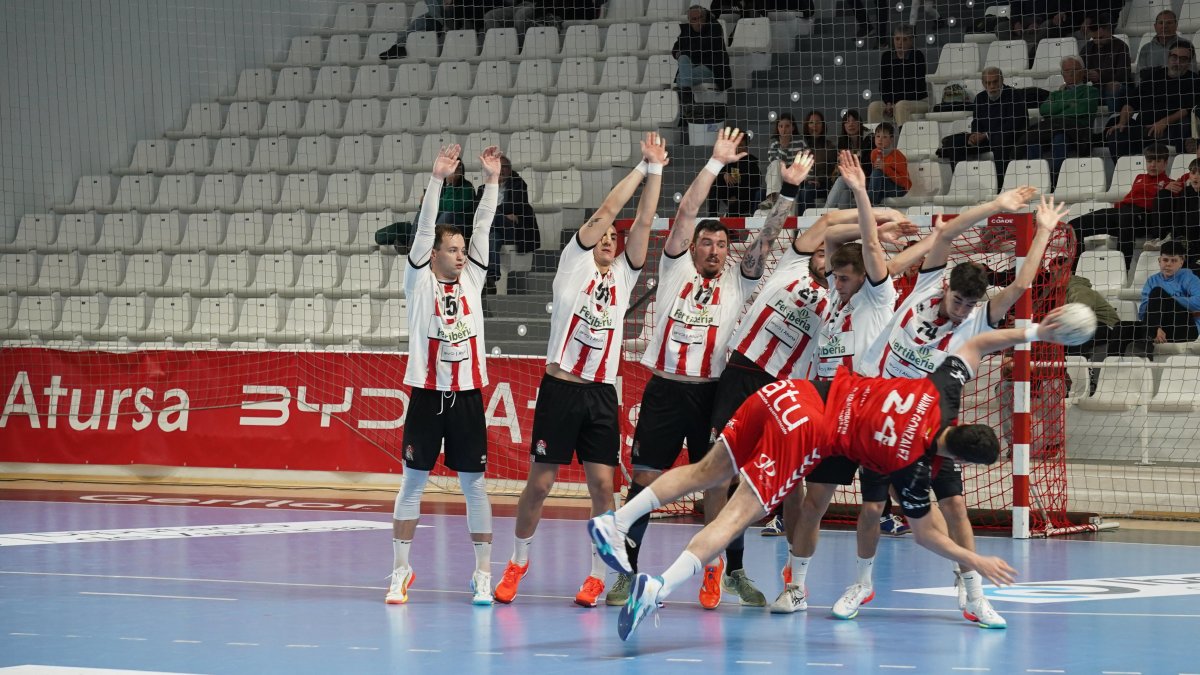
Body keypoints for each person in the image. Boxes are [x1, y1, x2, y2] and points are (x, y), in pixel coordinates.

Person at [591, 306, 1092, 640]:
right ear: (956, 459)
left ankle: (617, 521)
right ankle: (658, 587)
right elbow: (924, 534)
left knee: (705, 471)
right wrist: (971, 560)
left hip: (792, 391)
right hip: (808, 432)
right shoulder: (912, 465)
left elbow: (979, 343)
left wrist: (1037, 332)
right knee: (738, 515)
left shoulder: (941, 390)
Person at [806, 191, 1056, 626]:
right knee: (871, 509)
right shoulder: (927, 283)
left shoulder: (978, 320)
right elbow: (946, 232)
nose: (962, 312)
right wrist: (997, 204)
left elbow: (1018, 286)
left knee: (955, 507)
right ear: (947, 290)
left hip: (933, 424)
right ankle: (862, 582)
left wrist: (1044, 231)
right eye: (958, 302)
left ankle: (973, 592)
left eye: (970, 305)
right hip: (880, 417)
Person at [493, 134, 668, 608]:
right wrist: (640, 166)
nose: (610, 240)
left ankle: (596, 575)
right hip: (561, 388)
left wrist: (657, 172)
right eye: (606, 236)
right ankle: (517, 560)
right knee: (542, 483)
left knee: (602, 486)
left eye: (615, 238)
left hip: (600, 394)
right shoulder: (573, 265)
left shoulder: (626, 274)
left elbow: (645, 220)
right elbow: (607, 211)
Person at [620, 127, 788, 612]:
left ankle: (723, 572)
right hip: (666, 390)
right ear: (691, 247)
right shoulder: (674, 267)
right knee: (646, 479)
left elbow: (770, 234)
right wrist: (714, 163)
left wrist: (791, 190)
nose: (714, 250)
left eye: (721, 244)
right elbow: (687, 212)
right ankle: (624, 572)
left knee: (721, 485)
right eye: (706, 243)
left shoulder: (739, 277)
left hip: (715, 393)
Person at [387, 144, 502, 606]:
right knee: (412, 483)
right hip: (427, 396)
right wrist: (436, 178)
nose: (459, 255)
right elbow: (422, 230)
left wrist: (491, 182)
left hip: (468, 396)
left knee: (474, 485)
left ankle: (482, 574)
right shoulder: (418, 281)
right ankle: (400, 570)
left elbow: (484, 226)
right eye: (451, 250)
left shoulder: (472, 278)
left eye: (461, 250)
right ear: (433, 253)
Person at [1069, 143, 1175, 269]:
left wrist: (1164, 188)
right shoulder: (1140, 177)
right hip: (1120, 212)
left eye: (1157, 161)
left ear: (1166, 162)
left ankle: (1123, 268)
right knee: (1073, 226)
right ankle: (1072, 270)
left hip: (1142, 218)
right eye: (1150, 161)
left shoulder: (1170, 184)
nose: (1152, 165)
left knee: (1126, 217)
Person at [1107, 41, 1200, 158]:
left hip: (1170, 130)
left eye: (1183, 59)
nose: (1177, 62)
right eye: (1174, 57)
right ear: (1168, 57)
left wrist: (1163, 122)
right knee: (1116, 132)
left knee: (1185, 125)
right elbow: (1130, 103)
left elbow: (1187, 109)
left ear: (1189, 62)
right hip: (1144, 127)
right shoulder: (1153, 76)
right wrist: (1121, 123)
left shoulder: (1194, 81)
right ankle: (1122, 172)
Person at [1017, 56, 1099, 185]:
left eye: (1074, 69)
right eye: (1066, 70)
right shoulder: (1055, 94)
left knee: (1059, 138)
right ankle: (1035, 181)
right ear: (1062, 74)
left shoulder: (1091, 91)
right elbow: (1044, 110)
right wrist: (1069, 103)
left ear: (1083, 72)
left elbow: (1083, 110)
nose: (1070, 73)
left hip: (1076, 133)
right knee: (1033, 141)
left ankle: (1057, 180)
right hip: (1050, 131)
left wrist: (1058, 108)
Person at [937, 67, 1028, 177]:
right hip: (986, 139)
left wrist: (986, 135)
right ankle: (960, 181)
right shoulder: (980, 98)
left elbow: (1013, 124)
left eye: (995, 82)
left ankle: (1000, 185)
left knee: (999, 140)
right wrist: (975, 134)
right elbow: (977, 121)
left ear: (1002, 80)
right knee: (955, 143)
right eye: (988, 83)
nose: (992, 86)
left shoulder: (1014, 95)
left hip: (1008, 138)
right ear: (983, 84)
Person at [476, 154, 538, 294]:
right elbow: (477, 210)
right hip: (493, 229)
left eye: (504, 167)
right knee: (493, 238)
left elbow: (515, 205)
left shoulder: (518, 184)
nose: (502, 170)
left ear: (510, 170)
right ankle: (491, 279)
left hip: (511, 229)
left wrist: (495, 213)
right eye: (499, 167)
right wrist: (501, 214)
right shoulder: (482, 189)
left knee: (489, 221)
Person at [1137, 241, 1200, 346]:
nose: (1168, 264)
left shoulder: (1190, 278)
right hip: (1159, 328)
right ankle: (1112, 360)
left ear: (1181, 262)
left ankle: (1148, 342)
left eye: (1174, 260)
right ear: (1159, 260)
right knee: (1121, 327)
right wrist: (1157, 326)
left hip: (1186, 329)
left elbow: (1199, 302)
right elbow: (1143, 312)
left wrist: (1168, 299)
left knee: (1158, 293)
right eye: (1165, 260)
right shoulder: (1151, 280)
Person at [868, 24, 930, 126]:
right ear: (893, 39)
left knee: (901, 106)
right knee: (873, 107)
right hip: (892, 102)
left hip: (917, 101)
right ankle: (874, 140)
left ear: (911, 41)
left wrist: (895, 103)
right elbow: (883, 84)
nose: (900, 43)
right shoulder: (886, 57)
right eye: (897, 39)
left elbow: (918, 88)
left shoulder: (918, 56)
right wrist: (888, 102)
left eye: (904, 40)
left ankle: (904, 140)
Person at [673, 5, 731, 94]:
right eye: (694, 19)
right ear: (689, 20)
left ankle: (686, 94)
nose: (698, 22)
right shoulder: (687, 30)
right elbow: (675, 49)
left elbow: (701, 48)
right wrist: (681, 53)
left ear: (705, 17)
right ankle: (686, 92)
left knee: (680, 79)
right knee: (683, 58)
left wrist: (685, 51)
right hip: (693, 68)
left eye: (700, 18)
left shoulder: (714, 27)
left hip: (712, 69)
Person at [823, 111, 874, 208]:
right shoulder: (842, 141)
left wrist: (854, 162)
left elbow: (869, 166)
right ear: (844, 125)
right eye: (847, 121)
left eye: (854, 120)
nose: (851, 124)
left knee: (842, 180)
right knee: (844, 187)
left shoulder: (870, 139)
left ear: (860, 123)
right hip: (850, 179)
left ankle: (824, 212)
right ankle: (841, 219)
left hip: (867, 179)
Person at [1081, 22, 1133, 115]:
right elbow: (1080, 72)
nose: (1097, 41)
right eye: (1094, 38)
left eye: (1101, 38)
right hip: (1096, 90)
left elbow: (1123, 75)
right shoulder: (1088, 47)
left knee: (1113, 86)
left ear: (1110, 32)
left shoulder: (1121, 46)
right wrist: (1084, 75)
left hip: (1121, 89)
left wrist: (1100, 75)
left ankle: (1113, 121)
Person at [712, 131, 762, 216]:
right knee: (715, 184)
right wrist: (724, 175)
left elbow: (754, 186)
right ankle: (712, 215)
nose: (738, 148)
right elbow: (717, 173)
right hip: (730, 194)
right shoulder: (728, 160)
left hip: (746, 199)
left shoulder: (751, 163)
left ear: (746, 147)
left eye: (741, 145)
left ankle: (729, 222)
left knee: (733, 209)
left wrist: (737, 198)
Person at [865, 122, 911, 206]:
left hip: (900, 189)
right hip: (883, 185)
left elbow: (904, 182)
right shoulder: (874, 153)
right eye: (878, 136)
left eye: (884, 137)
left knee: (877, 173)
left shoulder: (898, 156)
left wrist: (885, 168)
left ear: (891, 139)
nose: (880, 140)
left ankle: (868, 206)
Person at [436, 160, 476, 229]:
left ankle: (434, 238)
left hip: (464, 224)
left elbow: (451, 209)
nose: (456, 170)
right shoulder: (441, 187)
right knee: (421, 214)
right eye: (453, 167)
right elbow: (438, 208)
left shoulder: (467, 187)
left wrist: (450, 184)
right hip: (445, 221)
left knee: (447, 215)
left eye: (458, 167)